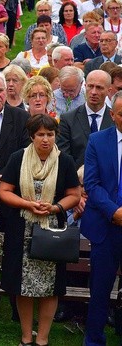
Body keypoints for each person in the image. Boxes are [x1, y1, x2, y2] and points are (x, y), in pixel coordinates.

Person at [0, 114, 80, 346]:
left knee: (50, 287)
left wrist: (55, 207)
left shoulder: (65, 161)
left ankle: (42, 338)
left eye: (50, 134)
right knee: (23, 286)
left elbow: (74, 195)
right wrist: (27, 203)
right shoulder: (18, 158)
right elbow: (4, 191)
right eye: (41, 135)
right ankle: (26, 336)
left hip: (51, 231)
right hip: (22, 227)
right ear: (32, 136)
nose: (46, 139)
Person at [81, 89, 122, 345]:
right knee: (100, 289)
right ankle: (94, 339)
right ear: (112, 114)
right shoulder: (97, 141)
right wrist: (114, 211)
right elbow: (92, 183)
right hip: (105, 227)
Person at [57, 70, 113, 169]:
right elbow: (63, 156)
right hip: (76, 179)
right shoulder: (68, 119)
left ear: (109, 90)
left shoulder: (116, 120)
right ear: (85, 86)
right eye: (90, 86)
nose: (94, 92)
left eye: (99, 88)